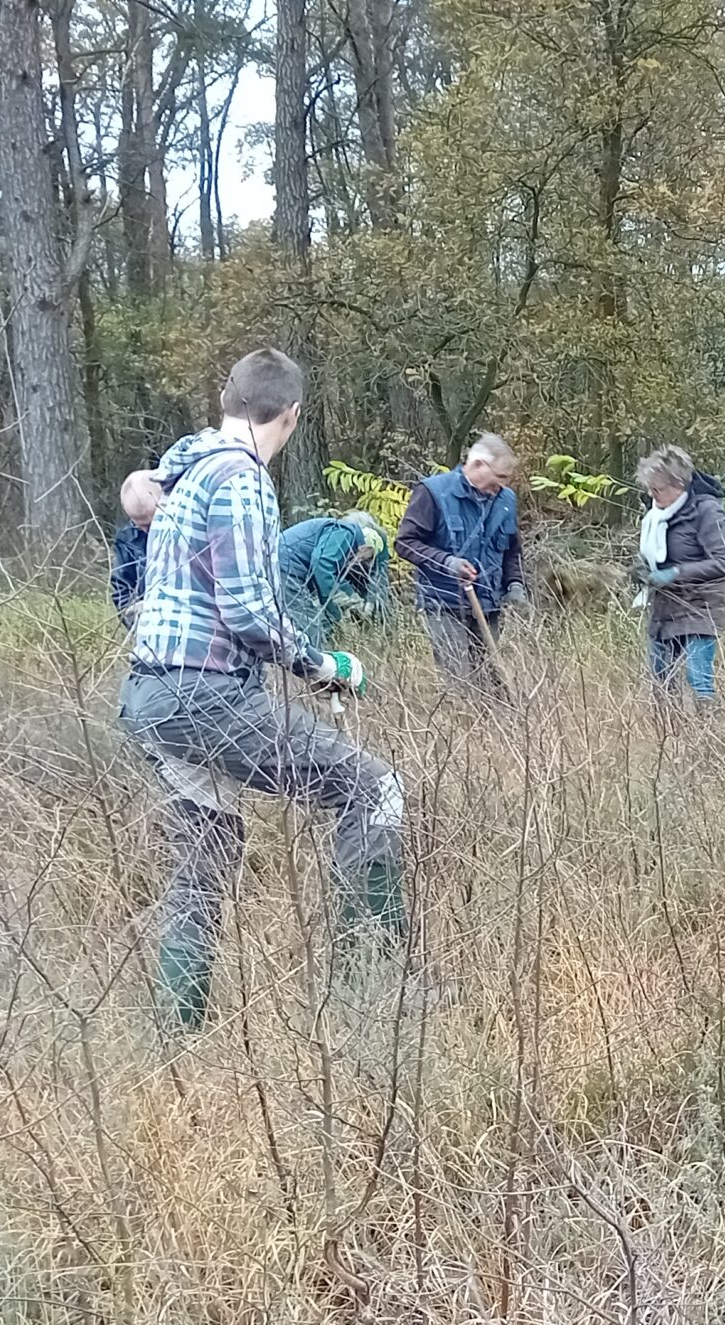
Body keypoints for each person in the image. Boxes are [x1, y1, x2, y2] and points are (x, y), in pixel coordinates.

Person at [119, 349, 401, 1031]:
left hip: (151, 695)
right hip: (204, 695)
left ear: (227, 399)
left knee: (207, 849)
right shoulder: (242, 479)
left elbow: (147, 507)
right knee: (375, 792)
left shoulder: (187, 469)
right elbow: (247, 610)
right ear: (292, 416)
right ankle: (373, 992)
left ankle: (177, 1031)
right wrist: (322, 664)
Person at [394, 432, 527, 693]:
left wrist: (515, 583)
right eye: (499, 477)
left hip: (488, 605)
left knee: (492, 681)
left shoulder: (505, 501)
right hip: (444, 604)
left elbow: (512, 549)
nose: (502, 485)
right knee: (459, 682)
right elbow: (405, 543)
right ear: (478, 464)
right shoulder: (433, 492)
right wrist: (447, 562)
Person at [629, 445, 725, 700]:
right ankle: (668, 725)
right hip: (664, 607)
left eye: (657, 489)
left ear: (678, 484)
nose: (651, 495)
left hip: (701, 605)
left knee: (698, 680)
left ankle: (707, 722)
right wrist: (642, 570)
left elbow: (724, 562)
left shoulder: (706, 510)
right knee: (661, 680)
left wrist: (675, 573)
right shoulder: (655, 515)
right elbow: (654, 554)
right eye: (649, 489)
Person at [278, 509, 391, 647]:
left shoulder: (370, 539)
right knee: (310, 628)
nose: (359, 562)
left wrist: (370, 603)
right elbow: (322, 566)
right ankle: (314, 659)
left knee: (309, 622)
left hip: (286, 567)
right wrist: (340, 613)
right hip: (287, 569)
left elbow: (379, 576)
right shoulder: (346, 531)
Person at [109, 469, 167, 626]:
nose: (148, 531)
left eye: (152, 523)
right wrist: (138, 624)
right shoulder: (127, 539)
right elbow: (123, 591)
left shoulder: (187, 527)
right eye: (140, 524)